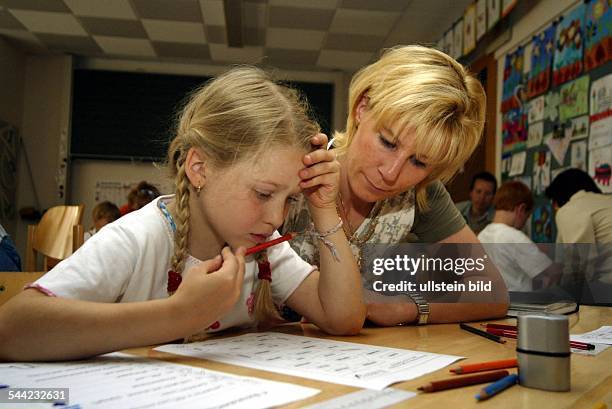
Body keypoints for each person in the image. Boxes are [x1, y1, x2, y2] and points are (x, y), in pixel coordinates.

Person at [0, 67, 366, 361]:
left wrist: (323, 207)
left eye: (290, 199)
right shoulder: (138, 238)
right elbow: (11, 330)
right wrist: (181, 314)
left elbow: (343, 318)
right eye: (264, 193)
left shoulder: (264, 246)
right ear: (199, 168)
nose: (276, 218)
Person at [283, 45, 508, 326]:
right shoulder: (295, 168)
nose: (390, 174)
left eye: (419, 162)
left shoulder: (422, 194)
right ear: (362, 107)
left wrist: (409, 307)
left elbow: (492, 290)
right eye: (388, 142)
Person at [478, 181, 560, 291]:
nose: (524, 224)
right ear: (521, 209)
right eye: (527, 217)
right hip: (520, 304)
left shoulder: (482, 235)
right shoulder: (514, 237)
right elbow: (553, 272)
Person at [545, 168, 612, 244]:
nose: (554, 208)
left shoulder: (570, 209)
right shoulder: (606, 201)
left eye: (554, 201)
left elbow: (580, 254)